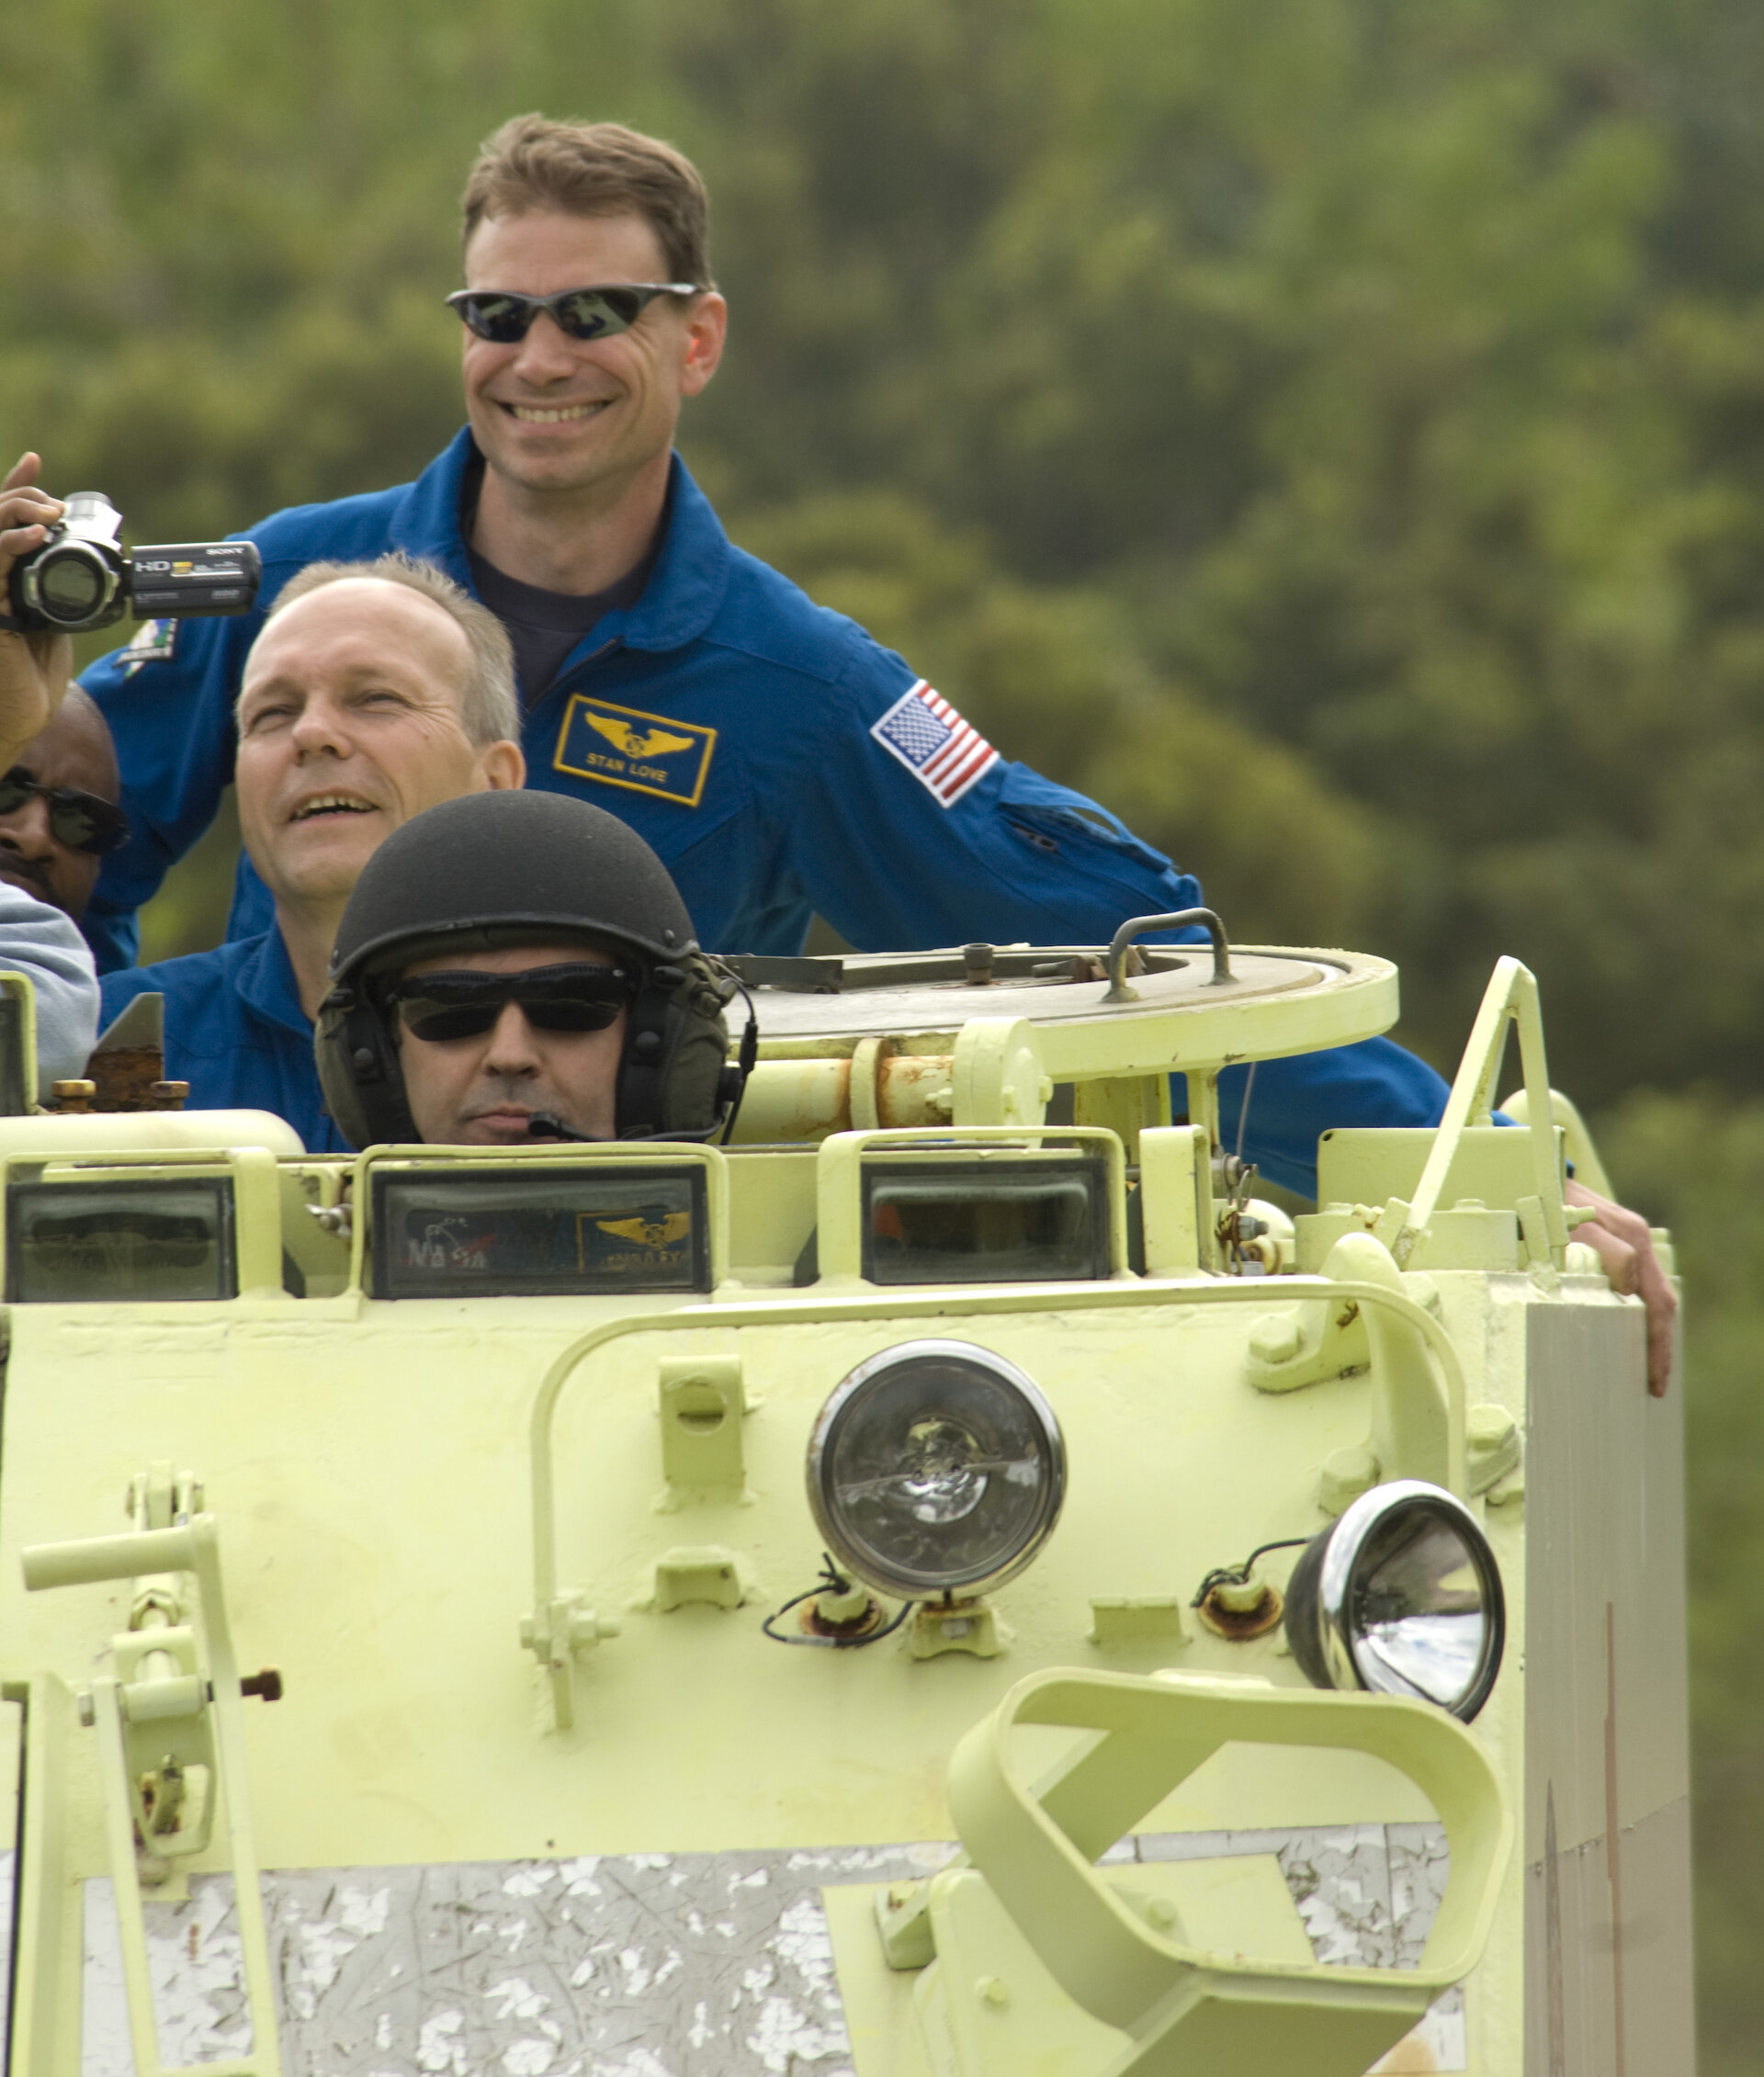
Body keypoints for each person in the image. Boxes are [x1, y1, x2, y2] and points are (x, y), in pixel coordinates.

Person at [65, 121, 1675, 1385]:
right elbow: (58, 871)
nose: (537, 356)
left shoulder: (801, 688)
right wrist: (140, 1100)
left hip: (626, 1273)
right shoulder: (292, 596)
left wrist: (1503, 1170)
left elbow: (1138, 974)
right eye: (498, 315)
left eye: (593, 314)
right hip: (252, 1187)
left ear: (695, 342)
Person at [96, 554, 524, 1146]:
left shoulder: (598, 1040)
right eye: (272, 713)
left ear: (495, 783)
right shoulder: (100, 1044)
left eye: (376, 698)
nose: (311, 733)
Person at [315, 789, 737, 1148]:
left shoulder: (782, 1240)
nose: (510, 1056)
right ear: (373, 1051)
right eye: (449, 1004)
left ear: (657, 1042)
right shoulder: (280, 1238)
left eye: (571, 1000)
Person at [0, 455, 103, 1088]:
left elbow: (44, 1018)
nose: (35, 835)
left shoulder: (45, 958)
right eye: (6, 786)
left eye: (81, 819)